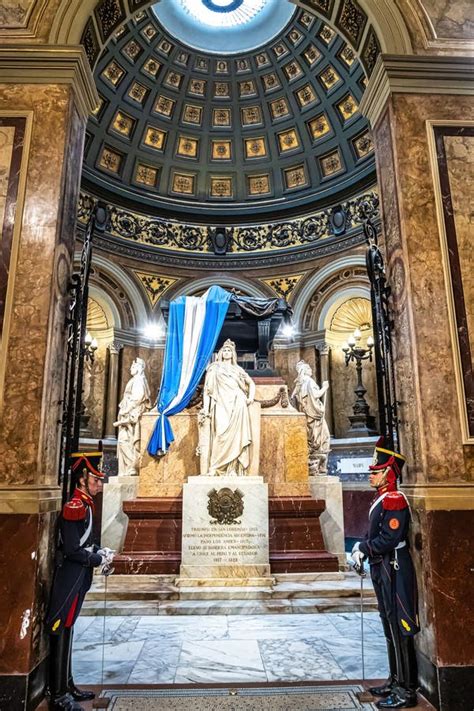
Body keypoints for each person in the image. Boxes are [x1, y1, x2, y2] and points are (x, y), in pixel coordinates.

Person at [351, 437, 419, 709]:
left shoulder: (394, 500)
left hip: (395, 567)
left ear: (389, 474)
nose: (371, 476)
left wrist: (365, 548)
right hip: (383, 566)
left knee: (402, 626)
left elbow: (390, 537)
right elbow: (375, 534)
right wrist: (361, 547)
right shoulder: (381, 499)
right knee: (389, 623)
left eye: (375, 472)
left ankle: (407, 689)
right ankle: (394, 678)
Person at [46, 450, 114, 710]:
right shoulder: (75, 506)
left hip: (80, 574)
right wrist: (97, 560)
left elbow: (85, 544)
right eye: (96, 480)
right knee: (59, 625)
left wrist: (100, 553)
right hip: (70, 574)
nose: (99, 485)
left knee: (69, 624)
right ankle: (57, 693)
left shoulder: (85, 504)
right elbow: (73, 550)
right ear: (83, 480)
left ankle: (68, 683)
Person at [200, 339, 255, 476]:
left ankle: (232, 469)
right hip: (221, 404)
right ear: (220, 353)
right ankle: (215, 467)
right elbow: (208, 390)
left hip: (238, 403)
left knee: (237, 437)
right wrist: (206, 409)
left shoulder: (238, 369)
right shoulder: (214, 368)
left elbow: (251, 383)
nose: (226, 352)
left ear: (233, 353)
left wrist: (250, 398)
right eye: (224, 350)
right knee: (220, 433)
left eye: (229, 350)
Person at [291, 360, 330, 473]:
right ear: (304, 370)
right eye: (308, 368)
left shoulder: (300, 385)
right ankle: (320, 467)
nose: (311, 370)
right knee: (324, 438)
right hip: (315, 416)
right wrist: (325, 387)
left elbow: (294, 398)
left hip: (308, 416)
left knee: (312, 439)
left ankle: (316, 466)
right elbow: (316, 395)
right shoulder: (309, 382)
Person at [114, 357, 151, 476]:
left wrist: (126, 410)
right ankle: (129, 467)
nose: (130, 368)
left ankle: (132, 466)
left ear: (139, 368)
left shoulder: (139, 380)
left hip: (132, 415)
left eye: (133, 366)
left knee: (125, 441)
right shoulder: (136, 380)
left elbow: (138, 398)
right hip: (128, 413)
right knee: (124, 441)